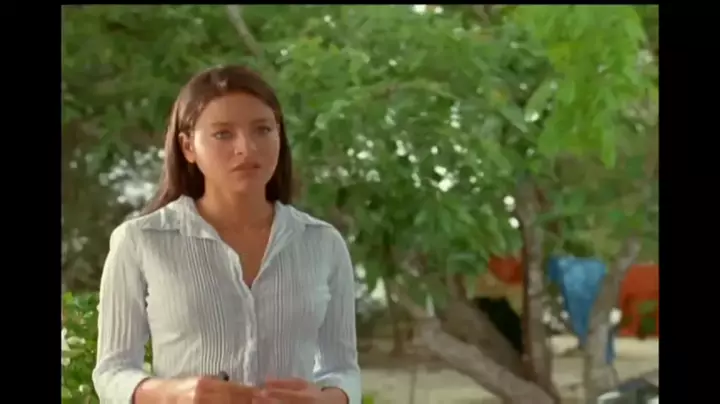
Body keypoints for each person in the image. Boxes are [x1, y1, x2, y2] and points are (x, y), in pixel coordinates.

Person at [92, 65, 361, 404]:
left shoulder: (322, 243)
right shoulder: (139, 241)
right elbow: (112, 371)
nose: (246, 148)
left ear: (279, 136)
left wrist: (329, 399)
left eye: (263, 130)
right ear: (188, 147)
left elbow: (343, 368)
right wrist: (173, 394)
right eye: (223, 134)